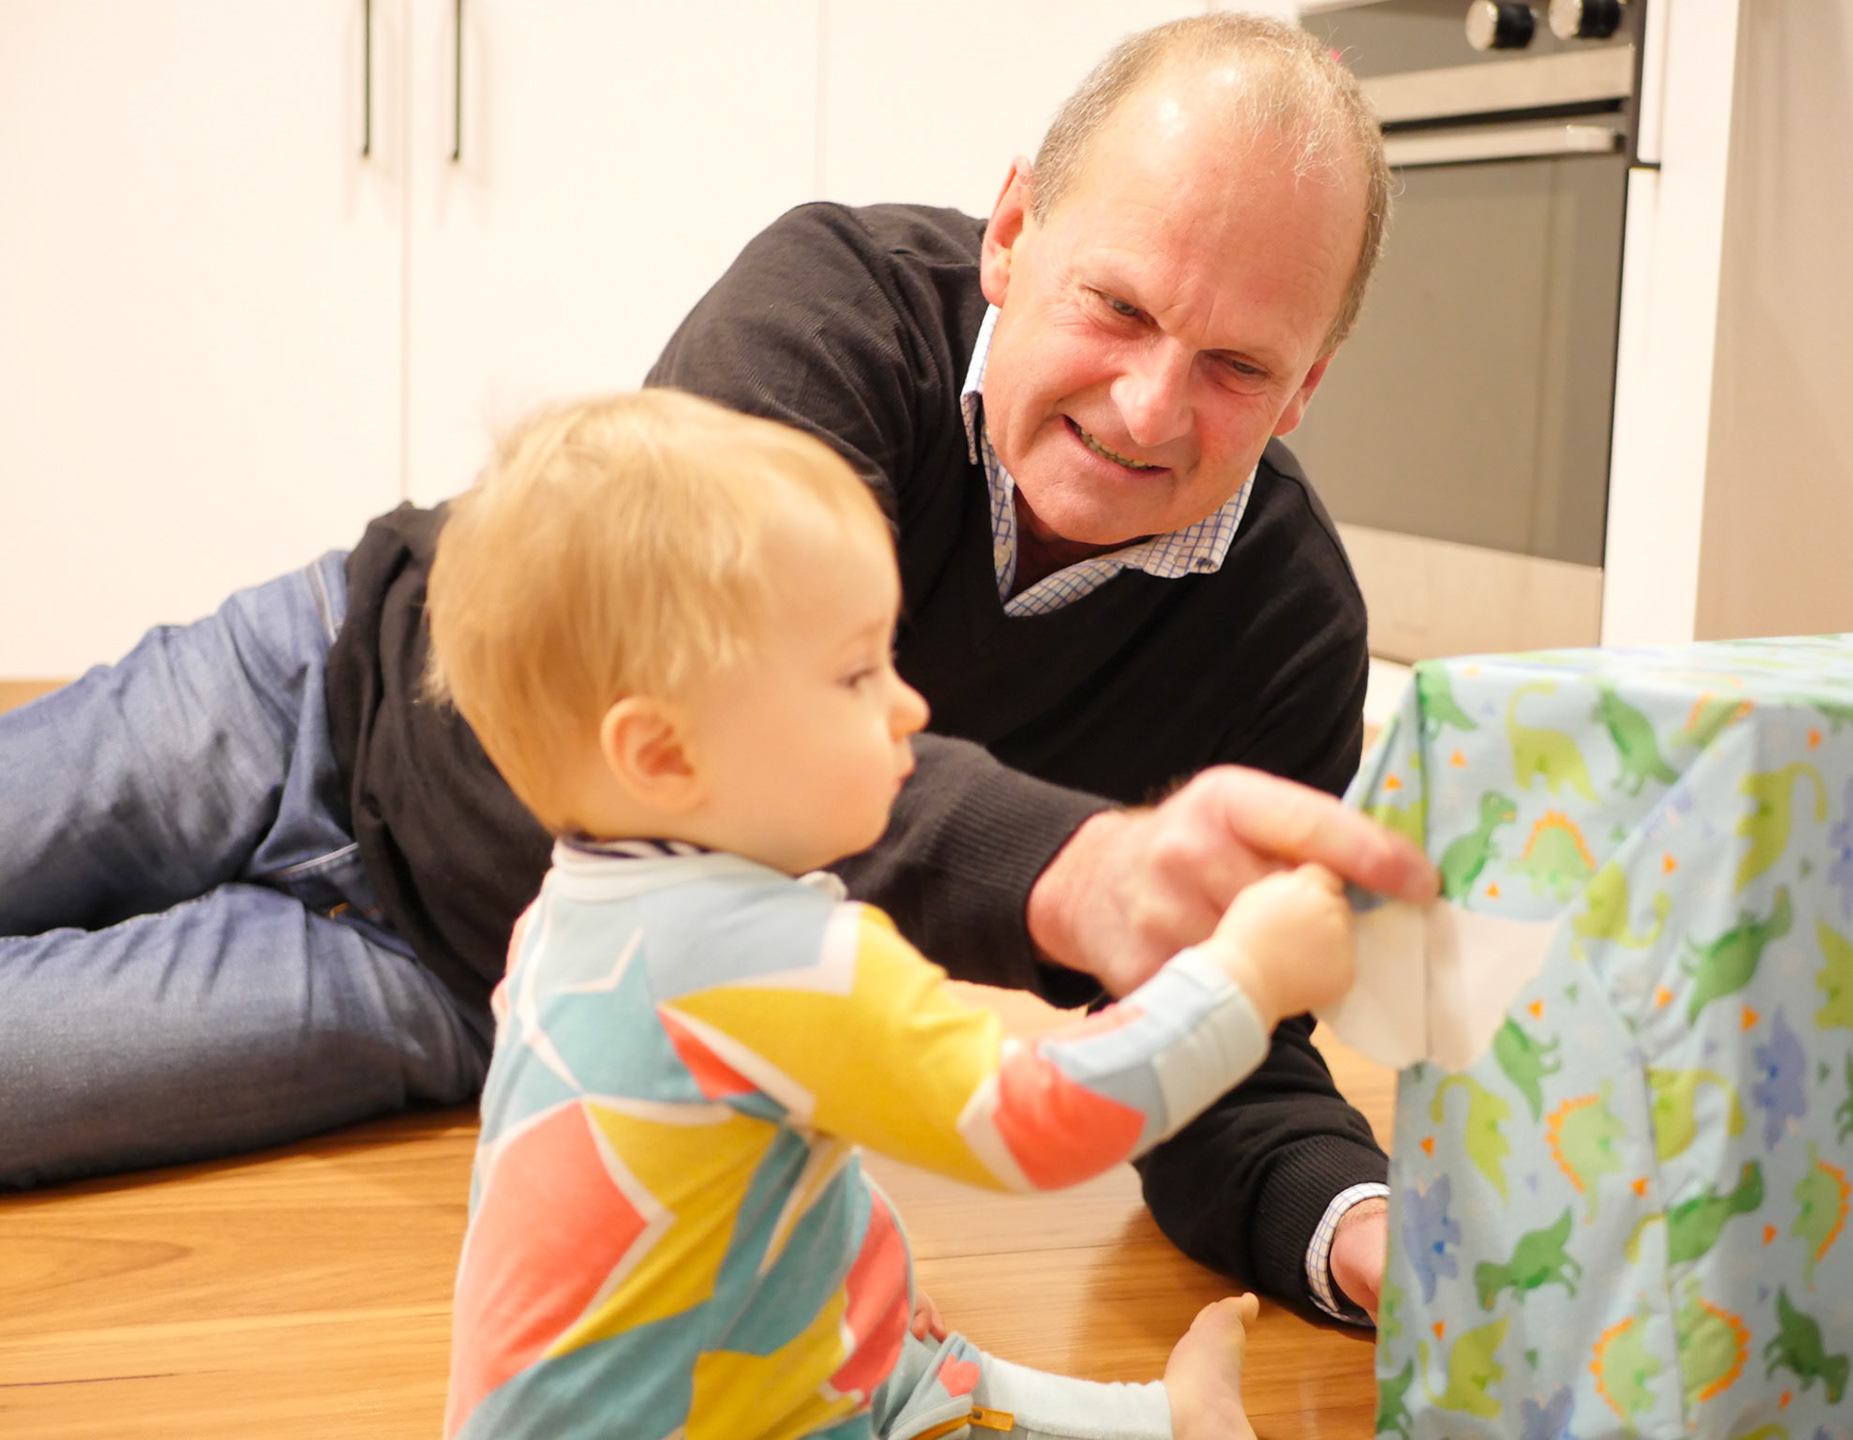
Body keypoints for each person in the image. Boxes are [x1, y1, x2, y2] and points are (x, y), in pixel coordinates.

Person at [0, 12, 1435, 1322]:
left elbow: (1228, 1037)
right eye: (1118, 307)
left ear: (1305, 387)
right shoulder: (835, 305)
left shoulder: (1288, 632)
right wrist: (1080, 870)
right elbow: (730, 734)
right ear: (1012, 232)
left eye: (1239, 367)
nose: (1149, 406)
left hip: (459, 970)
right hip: (315, 686)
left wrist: (1364, 1230)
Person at [430, 387, 1358, 1440]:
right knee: (912, 1390)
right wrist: (1244, 979)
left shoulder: (573, 912)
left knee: (917, 1364)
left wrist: (854, 1269)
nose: (910, 706)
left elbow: (721, 1165)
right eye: (857, 675)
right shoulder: (779, 954)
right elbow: (1035, 1126)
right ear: (664, 755)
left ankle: (1165, 1418)